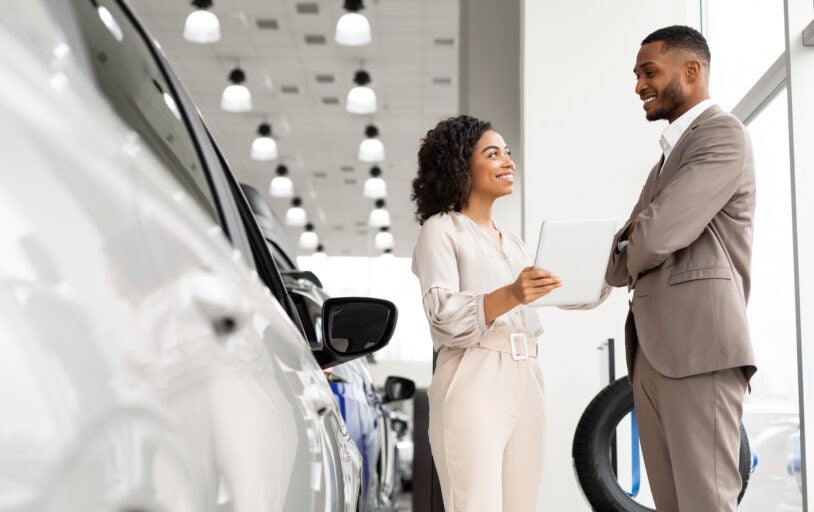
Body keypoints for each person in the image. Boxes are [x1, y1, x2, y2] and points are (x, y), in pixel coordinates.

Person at [605, 25, 757, 512]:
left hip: (699, 350)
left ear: (692, 70)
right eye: (636, 75)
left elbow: (653, 238)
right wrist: (636, 237)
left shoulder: (722, 134)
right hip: (655, 353)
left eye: (649, 72)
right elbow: (614, 266)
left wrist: (637, 234)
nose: (638, 86)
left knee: (705, 502)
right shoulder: (665, 162)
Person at [411, 115, 561, 511]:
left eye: (508, 153)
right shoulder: (441, 230)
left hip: (527, 374)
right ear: (460, 165)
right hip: (473, 374)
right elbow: (443, 315)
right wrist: (512, 293)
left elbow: (537, 307)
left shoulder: (514, 243)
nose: (508, 162)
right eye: (493, 154)